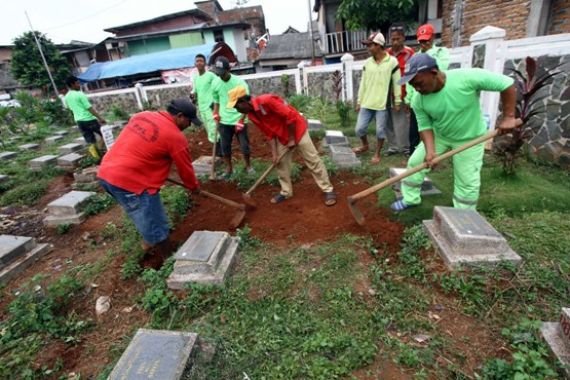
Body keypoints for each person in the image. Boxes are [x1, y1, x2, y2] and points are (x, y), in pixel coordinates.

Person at [391, 54, 517, 212]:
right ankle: (410, 199)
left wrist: (509, 116)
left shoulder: (466, 78)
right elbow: (425, 126)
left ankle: (463, 216)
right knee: (415, 163)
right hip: (440, 136)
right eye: (413, 85)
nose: (416, 89)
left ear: (434, 73)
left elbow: (506, 84)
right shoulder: (418, 99)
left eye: (419, 83)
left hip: (470, 138)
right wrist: (430, 151)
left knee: (466, 180)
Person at [97, 98, 202, 262]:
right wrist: (193, 187)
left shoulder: (142, 115)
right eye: (189, 121)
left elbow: (139, 144)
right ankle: (169, 260)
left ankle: (147, 244)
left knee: (143, 214)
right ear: (180, 116)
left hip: (106, 173)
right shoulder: (175, 137)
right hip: (130, 183)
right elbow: (185, 170)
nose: (189, 126)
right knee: (156, 224)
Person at [229, 86, 337, 206]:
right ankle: (286, 192)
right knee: (280, 164)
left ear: (243, 101)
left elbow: (289, 116)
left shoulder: (267, 101)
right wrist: (275, 154)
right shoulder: (252, 116)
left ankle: (328, 190)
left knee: (312, 159)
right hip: (282, 136)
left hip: (297, 129)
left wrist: (292, 139)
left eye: (236, 107)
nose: (237, 110)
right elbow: (269, 134)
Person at [352, 32, 401, 164]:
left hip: (382, 104)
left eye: (370, 45)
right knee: (359, 129)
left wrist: (397, 101)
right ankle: (365, 145)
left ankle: (377, 153)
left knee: (380, 131)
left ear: (379, 45)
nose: (368, 48)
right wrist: (359, 101)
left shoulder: (392, 62)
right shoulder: (368, 63)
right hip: (367, 103)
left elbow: (397, 82)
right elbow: (363, 83)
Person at [406, 24, 450, 154]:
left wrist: (428, 54)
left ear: (432, 38)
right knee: (415, 128)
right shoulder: (414, 57)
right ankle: (413, 153)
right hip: (417, 98)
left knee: (431, 128)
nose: (424, 43)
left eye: (426, 40)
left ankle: (431, 152)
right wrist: (408, 98)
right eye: (421, 41)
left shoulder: (441, 52)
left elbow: (441, 68)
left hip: (433, 96)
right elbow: (410, 81)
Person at [211, 57, 253, 177]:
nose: (220, 76)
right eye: (218, 73)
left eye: (222, 73)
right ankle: (229, 169)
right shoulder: (215, 82)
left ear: (229, 69)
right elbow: (216, 100)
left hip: (239, 118)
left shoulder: (239, 83)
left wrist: (241, 120)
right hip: (224, 121)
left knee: (244, 146)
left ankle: (248, 166)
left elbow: (247, 105)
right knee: (225, 147)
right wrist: (215, 112)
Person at [386, 24, 415, 155]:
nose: (395, 42)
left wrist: (407, 94)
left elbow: (411, 74)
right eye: (393, 39)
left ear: (403, 38)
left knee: (402, 121)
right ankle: (392, 146)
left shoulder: (409, 53)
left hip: (403, 92)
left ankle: (404, 147)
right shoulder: (387, 54)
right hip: (387, 94)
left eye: (398, 39)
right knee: (388, 121)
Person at [64, 76, 106, 161]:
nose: (79, 85)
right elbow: (89, 108)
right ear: (72, 84)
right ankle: (101, 150)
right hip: (89, 119)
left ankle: (96, 157)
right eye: (77, 83)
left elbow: (70, 108)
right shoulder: (80, 94)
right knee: (104, 134)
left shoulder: (67, 97)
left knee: (90, 140)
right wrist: (100, 118)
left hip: (79, 121)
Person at [191, 54, 219, 150]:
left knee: (214, 128)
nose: (199, 63)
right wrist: (193, 95)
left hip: (211, 107)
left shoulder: (210, 75)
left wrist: (215, 102)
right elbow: (195, 91)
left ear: (205, 63)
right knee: (208, 129)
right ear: (195, 63)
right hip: (202, 108)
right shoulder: (195, 78)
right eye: (197, 61)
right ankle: (217, 152)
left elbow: (218, 86)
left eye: (201, 61)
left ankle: (220, 151)